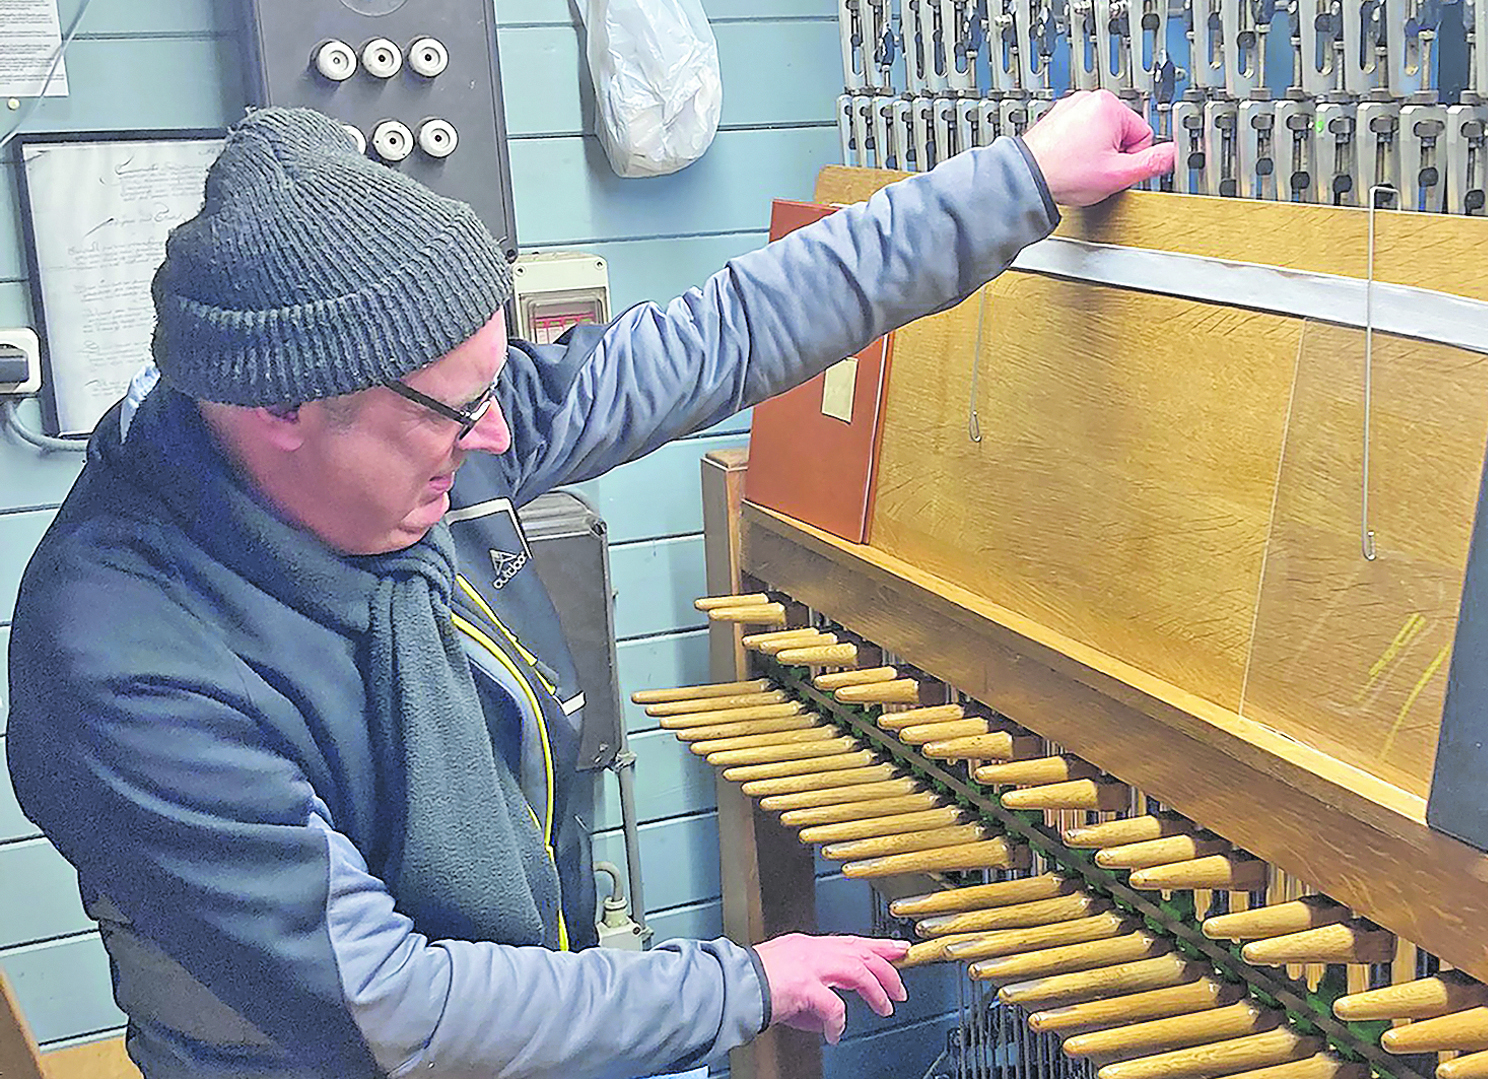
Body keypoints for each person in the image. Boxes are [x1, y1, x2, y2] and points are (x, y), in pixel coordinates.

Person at [5, 93, 1173, 1078]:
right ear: (281, 412)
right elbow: (397, 1006)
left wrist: (1015, 180)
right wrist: (738, 984)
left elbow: (718, 335)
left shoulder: (405, 427)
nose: (501, 433)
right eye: (458, 408)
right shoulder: (124, 664)